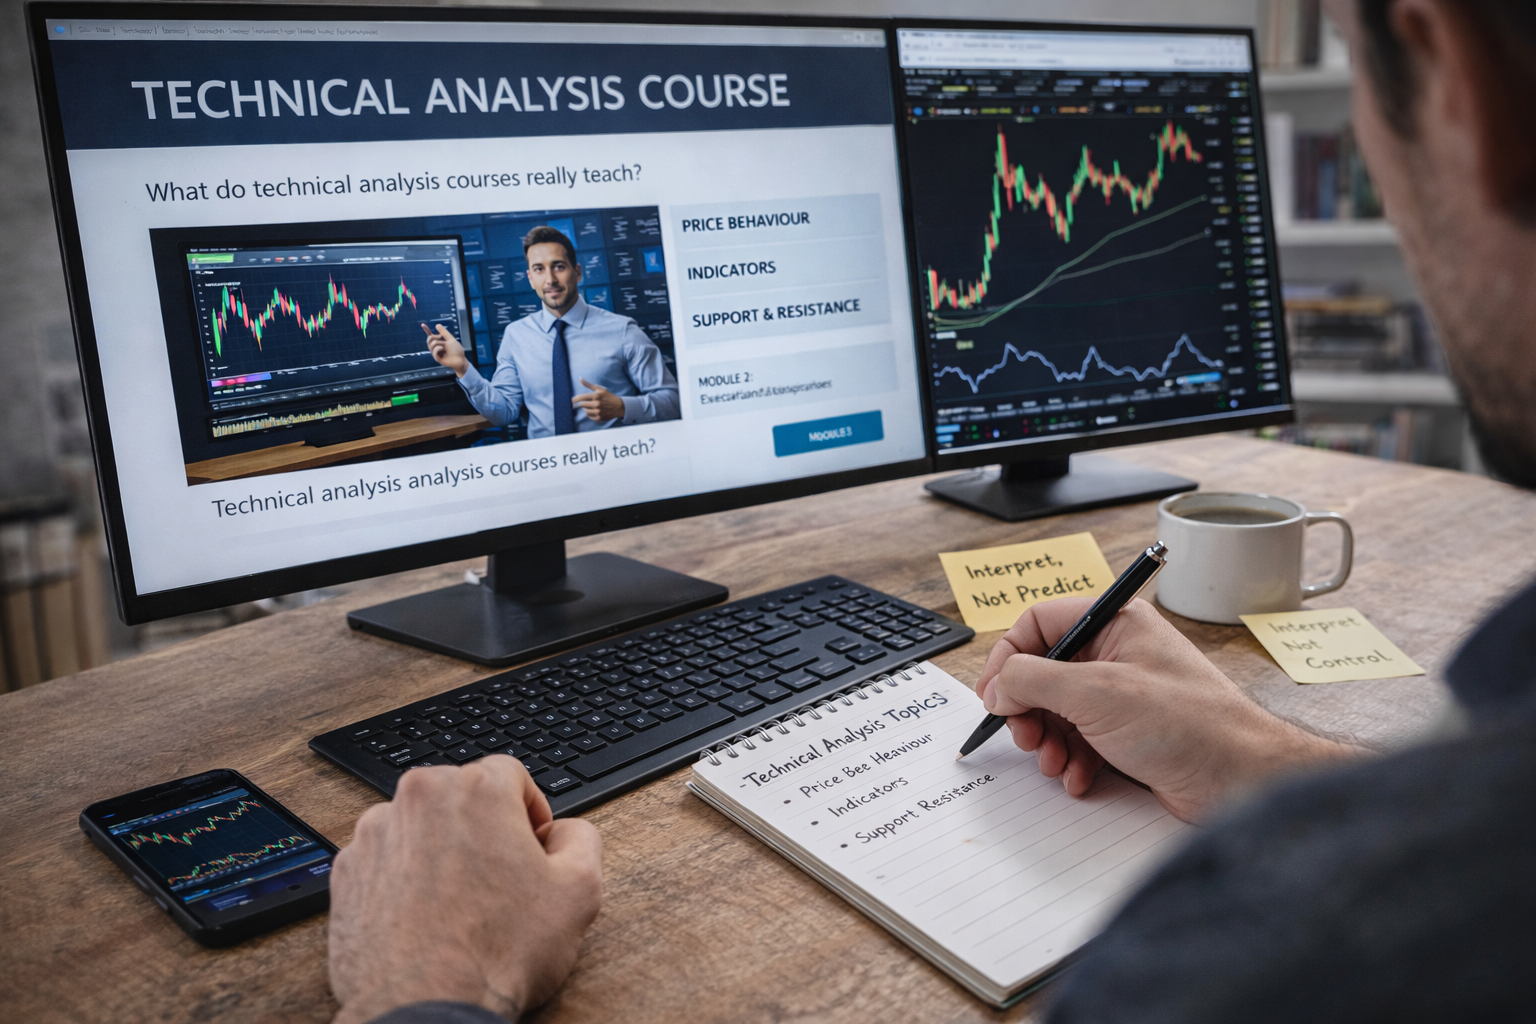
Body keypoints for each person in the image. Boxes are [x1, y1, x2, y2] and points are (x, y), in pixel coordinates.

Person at [330, 1, 1536, 1021]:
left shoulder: (1257, 967)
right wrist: (1261, 760)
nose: (546, 283)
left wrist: (428, 986)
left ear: (1451, 82)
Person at [425, 226, 680, 438]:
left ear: (577, 272)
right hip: (547, 469)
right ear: (530, 278)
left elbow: (673, 401)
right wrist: (462, 369)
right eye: (539, 269)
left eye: (558, 266)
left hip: (613, 463)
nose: (550, 280)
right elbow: (504, 413)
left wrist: (624, 407)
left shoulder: (622, 330)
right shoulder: (516, 336)